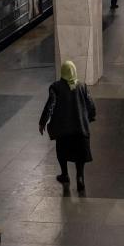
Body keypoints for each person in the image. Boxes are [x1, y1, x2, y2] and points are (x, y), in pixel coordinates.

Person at [39, 60, 96, 191]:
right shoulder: (83, 86)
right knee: (80, 155)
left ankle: (65, 174)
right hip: (80, 128)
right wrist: (90, 118)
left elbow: (50, 106)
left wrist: (43, 122)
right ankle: (80, 177)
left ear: (63, 72)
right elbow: (91, 105)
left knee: (62, 152)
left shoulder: (56, 87)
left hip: (63, 129)